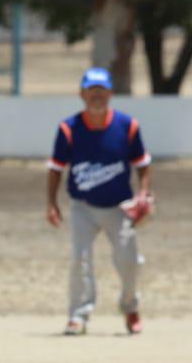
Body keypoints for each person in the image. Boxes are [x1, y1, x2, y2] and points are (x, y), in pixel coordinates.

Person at [45, 67, 154, 335]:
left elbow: (142, 164)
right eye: (92, 91)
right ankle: (78, 315)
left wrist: (143, 193)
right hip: (83, 206)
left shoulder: (127, 126)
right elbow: (56, 168)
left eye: (102, 91)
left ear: (110, 94)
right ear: (82, 94)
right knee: (79, 260)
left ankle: (130, 306)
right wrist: (51, 203)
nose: (97, 96)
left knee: (129, 261)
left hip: (120, 206)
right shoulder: (69, 129)